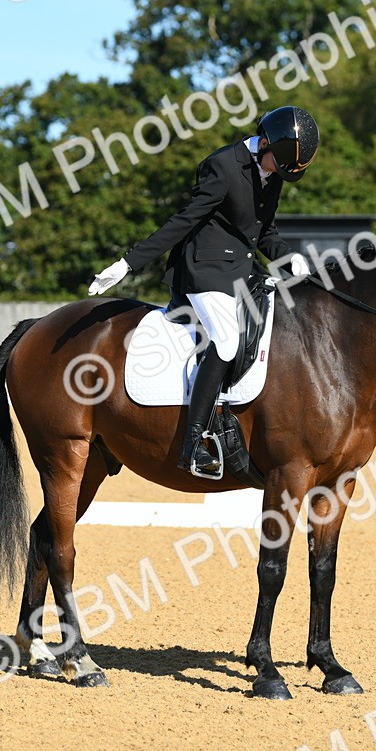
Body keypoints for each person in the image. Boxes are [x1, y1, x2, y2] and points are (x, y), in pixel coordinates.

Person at [88, 105, 320, 475]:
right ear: (265, 143)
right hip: (205, 269)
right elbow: (184, 221)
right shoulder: (223, 166)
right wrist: (129, 263)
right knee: (226, 342)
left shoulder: (273, 173)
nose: (279, 172)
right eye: (279, 163)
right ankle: (194, 442)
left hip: (243, 271)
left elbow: (265, 233)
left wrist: (289, 258)